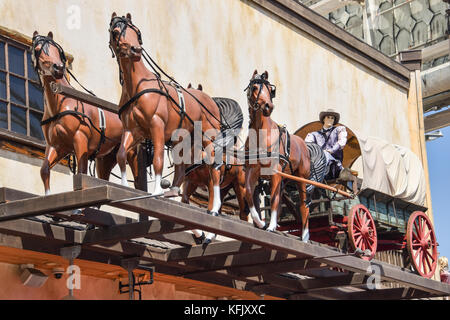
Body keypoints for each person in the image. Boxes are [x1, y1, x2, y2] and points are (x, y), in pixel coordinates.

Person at [305, 109, 347, 180]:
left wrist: (331, 150)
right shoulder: (313, 134)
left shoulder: (339, 130)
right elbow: (307, 145)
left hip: (334, 166)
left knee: (325, 154)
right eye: (328, 117)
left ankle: (315, 178)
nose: (330, 119)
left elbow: (341, 142)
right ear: (324, 119)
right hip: (315, 164)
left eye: (332, 118)